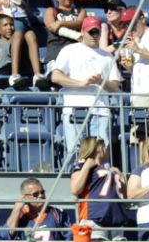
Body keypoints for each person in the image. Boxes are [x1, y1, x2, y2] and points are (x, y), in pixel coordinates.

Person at [50, 14, 121, 160]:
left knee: (101, 153)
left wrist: (101, 81)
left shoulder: (107, 56)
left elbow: (114, 86)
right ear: (82, 31)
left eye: (97, 32)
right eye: (91, 32)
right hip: (75, 109)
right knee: (75, 153)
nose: (94, 35)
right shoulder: (69, 50)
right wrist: (81, 83)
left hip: (101, 110)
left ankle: (101, 182)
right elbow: (55, 76)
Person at [69, 137, 132, 242]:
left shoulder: (111, 170)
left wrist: (121, 178)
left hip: (116, 223)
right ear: (99, 148)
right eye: (105, 147)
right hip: (94, 221)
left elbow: (126, 200)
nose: (107, 150)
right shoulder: (83, 165)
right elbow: (75, 189)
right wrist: (86, 167)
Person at [0, 0, 44, 87]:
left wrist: (21, 2)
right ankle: (14, 76)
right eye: (5, 25)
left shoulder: (20, 42)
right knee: (19, 33)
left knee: (30, 34)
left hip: (21, 66)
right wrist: (2, 57)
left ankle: (38, 75)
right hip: (1, 67)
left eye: (11, 24)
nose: (10, 28)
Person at [4, 178, 70, 242]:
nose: (41, 195)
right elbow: (6, 235)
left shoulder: (58, 214)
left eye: (42, 192)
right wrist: (16, 209)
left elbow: (69, 237)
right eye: (36, 194)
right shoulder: (20, 215)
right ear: (25, 197)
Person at [43, 0, 86, 64]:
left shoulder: (81, 11)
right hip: (56, 53)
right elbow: (52, 27)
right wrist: (75, 34)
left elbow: (80, 23)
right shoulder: (51, 10)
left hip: (75, 53)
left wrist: (61, 23)